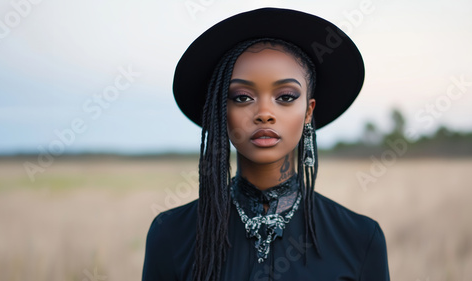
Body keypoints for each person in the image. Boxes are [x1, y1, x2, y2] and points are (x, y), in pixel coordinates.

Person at [142, 7, 390, 281]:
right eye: (242, 97)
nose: (264, 113)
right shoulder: (171, 234)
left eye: (285, 96)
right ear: (219, 110)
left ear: (308, 112)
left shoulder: (359, 238)